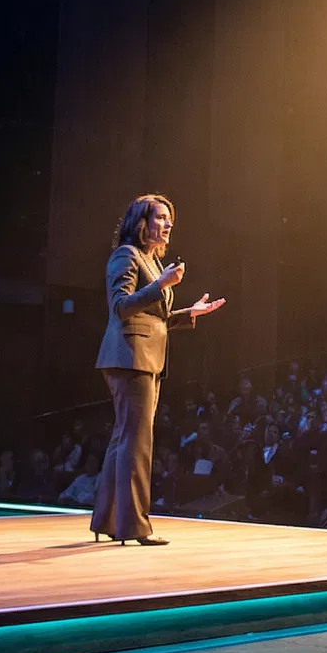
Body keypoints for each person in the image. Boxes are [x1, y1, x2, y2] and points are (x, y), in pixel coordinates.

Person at [92, 194, 225, 545]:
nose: (168, 225)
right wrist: (161, 285)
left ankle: (107, 520)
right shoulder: (127, 255)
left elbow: (155, 317)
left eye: (170, 220)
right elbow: (121, 307)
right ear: (142, 222)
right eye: (161, 217)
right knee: (136, 443)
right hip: (129, 357)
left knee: (124, 439)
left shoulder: (151, 261)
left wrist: (189, 313)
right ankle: (134, 527)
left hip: (143, 357)